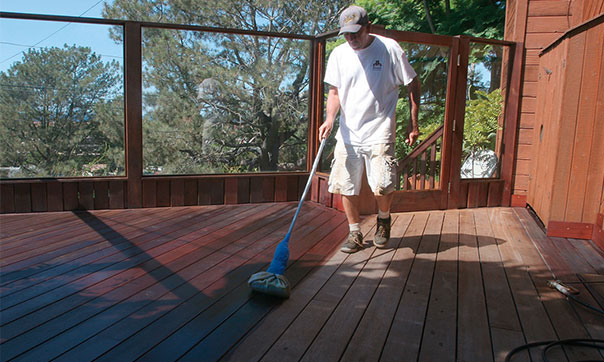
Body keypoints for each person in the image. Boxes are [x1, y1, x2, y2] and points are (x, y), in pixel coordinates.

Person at [318, 5, 420, 253]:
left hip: (380, 127)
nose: (351, 39)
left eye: (356, 33)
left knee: (383, 184)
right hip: (349, 131)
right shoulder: (339, 55)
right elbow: (334, 91)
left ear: (368, 27)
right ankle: (354, 233)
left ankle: (383, 220)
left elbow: (413, 82)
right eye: (347, 34)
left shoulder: (389, 48)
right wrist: (330, 118)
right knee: (345, 184)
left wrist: (413, 122)